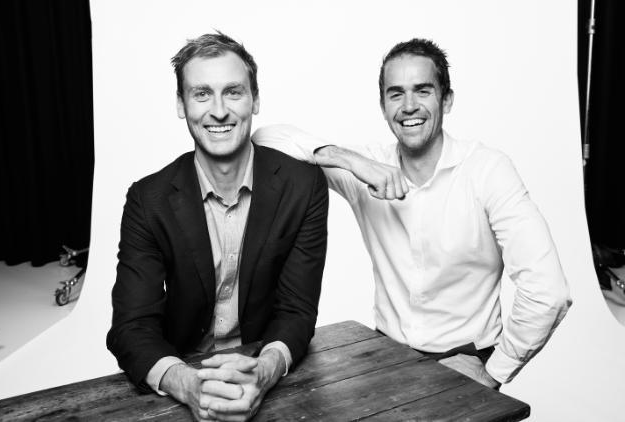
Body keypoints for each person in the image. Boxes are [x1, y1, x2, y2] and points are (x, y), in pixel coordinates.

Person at [253, 37, 572, 389]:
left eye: (422, 91)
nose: (408, 106)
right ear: (383, 105)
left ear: (446, 99)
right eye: (395, 94)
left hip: (466, 361)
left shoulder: (487, 171)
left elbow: (548, 291)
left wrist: (494, 372)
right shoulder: (367, 169)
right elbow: (266, 137)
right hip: (385, 359)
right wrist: (348, 159)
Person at [107, 32, 328, 421]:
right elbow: (131, 326)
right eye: (202, 94)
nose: (219, 110)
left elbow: (296, 310)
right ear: (181, 104)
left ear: (255, 100)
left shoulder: (303, 187)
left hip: (263, 370)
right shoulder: (148, 200)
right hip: (179, 377)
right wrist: (188, 385)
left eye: (234, 92)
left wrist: (265, 370)